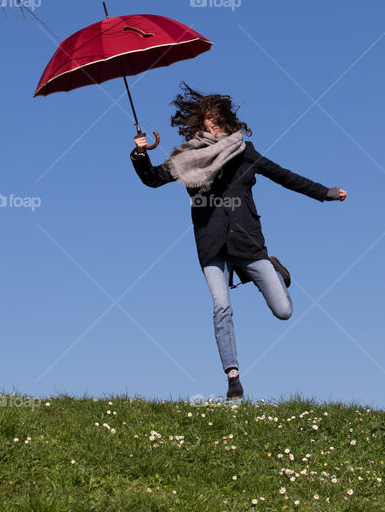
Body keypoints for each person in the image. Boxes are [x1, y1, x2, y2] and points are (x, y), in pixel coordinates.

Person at [130, 82, 347, 400]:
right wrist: (139, 152)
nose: (211, 122)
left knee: (283, 311)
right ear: (201, 122)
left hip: (247, 241)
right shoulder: (190, 156)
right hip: (211, 241)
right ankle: (233, 379)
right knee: (221, 307)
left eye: (216, 117)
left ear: (227, 121)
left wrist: (325, 193)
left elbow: (285, 176)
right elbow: (152, 179)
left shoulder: (245, 153)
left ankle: (273, 268)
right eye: (207, 117)